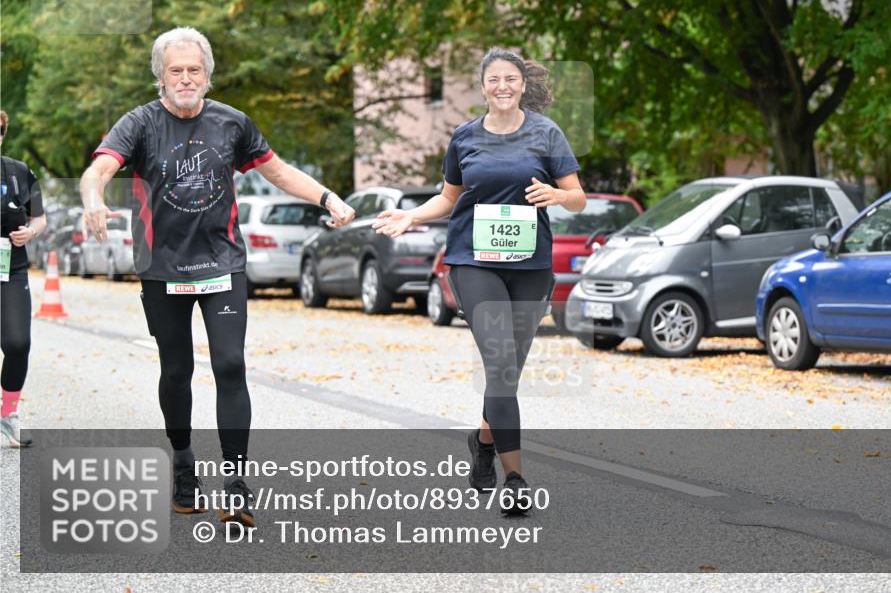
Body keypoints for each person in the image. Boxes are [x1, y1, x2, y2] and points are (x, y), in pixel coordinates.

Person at [80, 27, 355, 526]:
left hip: (221, 265)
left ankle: (236, 484)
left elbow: (278, 171)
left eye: (194, 70)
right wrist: (94, 199)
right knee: (177, 370)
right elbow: (98, 169)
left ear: (208, 74)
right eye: (175, 71)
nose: (186, 78)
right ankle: (185, 465)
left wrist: (327, 196)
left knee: (230, 364)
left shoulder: (232, 123)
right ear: (161, 77)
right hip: (162, 269)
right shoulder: (139, 123)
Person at [374, 47, 585, 514]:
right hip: (475, 262)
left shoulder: (547, 133)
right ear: (483, 85)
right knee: (500, 366)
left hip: (531, 266)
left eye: (511, 79)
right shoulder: (465, 137)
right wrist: (409, 218)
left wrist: (556, 193)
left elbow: (578, 199)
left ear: (522, 84)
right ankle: (516, 478)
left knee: (506, 373)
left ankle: (483, 441)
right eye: (495, 80)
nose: (503, 86)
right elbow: (448, 198)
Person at [0, 111, 47, 449]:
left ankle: (8, 414)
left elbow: (40, 217)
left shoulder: (18, 172)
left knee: (18, 343)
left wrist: (30, 231)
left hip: (10, 268)